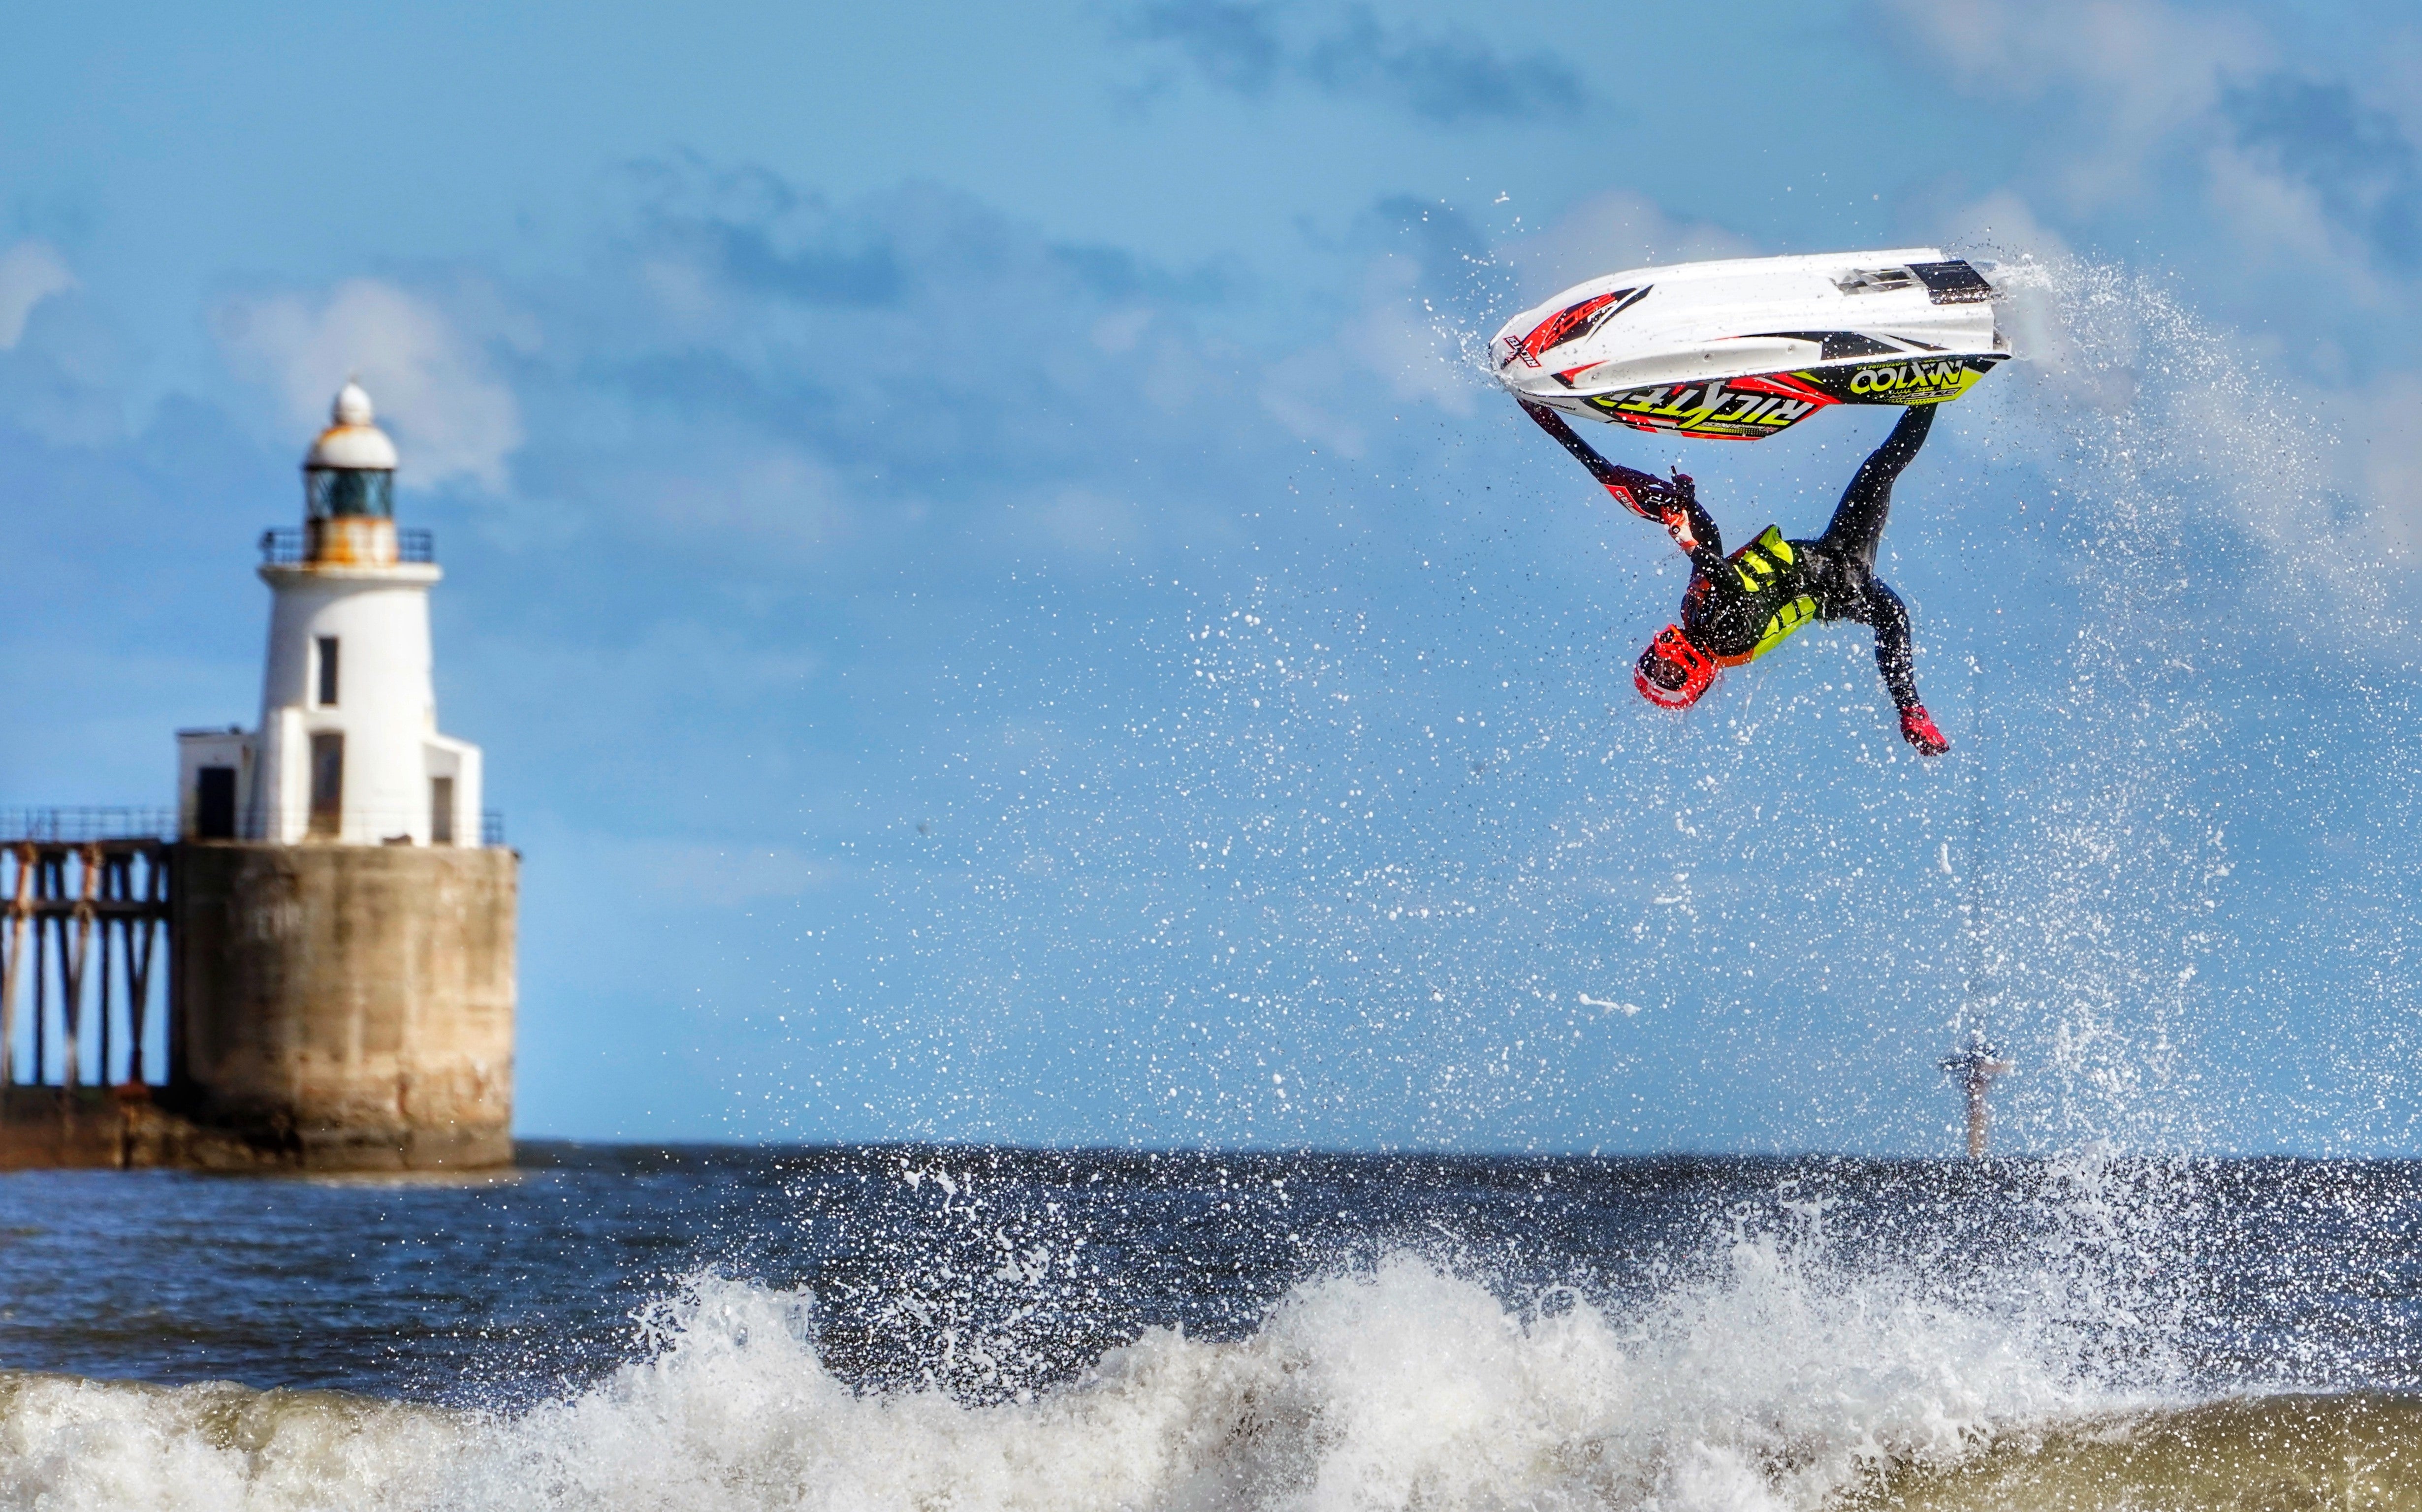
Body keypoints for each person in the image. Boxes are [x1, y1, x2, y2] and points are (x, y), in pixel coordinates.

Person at [1519, 397, 1950, 755]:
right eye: (1669, 676)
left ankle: (1911, 708)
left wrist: (1563, 433)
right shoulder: (1729, 640)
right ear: (1696, 679)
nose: (1663, 662)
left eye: (1653, 665)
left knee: (1882, 484)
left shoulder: (1695, 612)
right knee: (1882, 471)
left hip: (1823, 565)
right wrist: (1689, 543)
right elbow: (1735, 588)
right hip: (1839, 577)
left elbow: (1714, 547)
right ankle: (1936, 385)